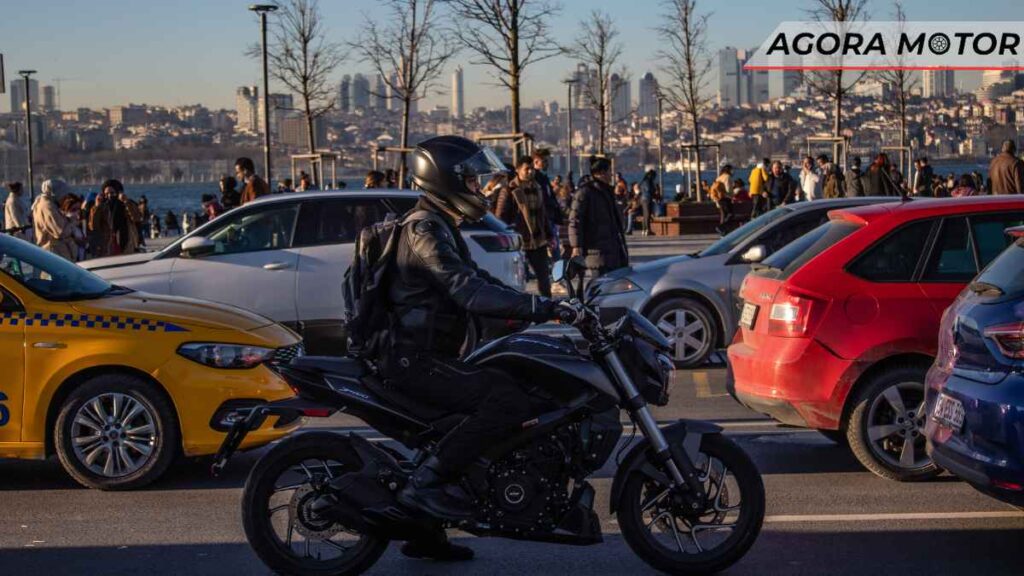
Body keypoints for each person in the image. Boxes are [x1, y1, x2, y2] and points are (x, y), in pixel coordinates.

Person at [385, 136, 567, 558]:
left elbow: (481, 283)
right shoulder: (424, 229)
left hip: (427, 352)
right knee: (506, 401)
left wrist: (540, 307)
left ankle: (426, 534)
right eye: (471, 179)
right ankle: (425, 484)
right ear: (447, 180)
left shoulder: (440, 224)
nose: (479, 188)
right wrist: (540, 307)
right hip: (414, 359)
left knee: (506, 379)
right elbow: (465, 290)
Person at [496, 157, 552, 297]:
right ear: (518, 170)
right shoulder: (510, 189)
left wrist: (549, 235)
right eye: (527, 168)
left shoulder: (538, 187)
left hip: (538, 240)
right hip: (519, 241)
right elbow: (501, 216)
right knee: (517, 279)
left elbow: (543, 214)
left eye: (532, 168)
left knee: (544, 277)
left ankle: (548, 305)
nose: (531, 171)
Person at [569, 156, 629, 275]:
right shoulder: (585, 192)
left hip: (612, 249)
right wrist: (576, 246)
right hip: (596, 250)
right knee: (600, 286)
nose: (611, 175)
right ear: (602, 173)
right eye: (609, 172)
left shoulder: (607, 192)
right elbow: (575, 220)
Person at [31, 179, 76, 260]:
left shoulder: (45, 203)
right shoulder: (47, 206)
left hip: (54, 251)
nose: (65, 198)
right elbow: (60, 232)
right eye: (63, 195)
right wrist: (71, 220)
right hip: (54, 251)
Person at [533, 150, 563, 260]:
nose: (547, 164)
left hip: (549, 216)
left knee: (554, 245)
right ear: (536, 161)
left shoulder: (543, 177)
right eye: (544, 161)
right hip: (544, 217)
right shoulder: (536, 178)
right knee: (553, 246)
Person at [709, 165, 734, 234]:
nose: (733, 171)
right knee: (730, 214)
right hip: (726, 198)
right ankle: (721, 227)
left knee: (723, 215)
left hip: (719, 199)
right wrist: (732, 196)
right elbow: (728, 190)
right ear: (728, 170)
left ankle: (723, 231)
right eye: (732, 169)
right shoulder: (728, 177)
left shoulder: (719, 177)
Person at [639, 168, 657, 236]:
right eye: (654, 176)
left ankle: (644, 229)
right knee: (648, 215)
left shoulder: (643, 181)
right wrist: (654, 194)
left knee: (645, 214)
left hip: (642, 199)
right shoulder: (648, 181)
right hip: (647, 199)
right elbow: (649, 190)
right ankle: (648, 230)